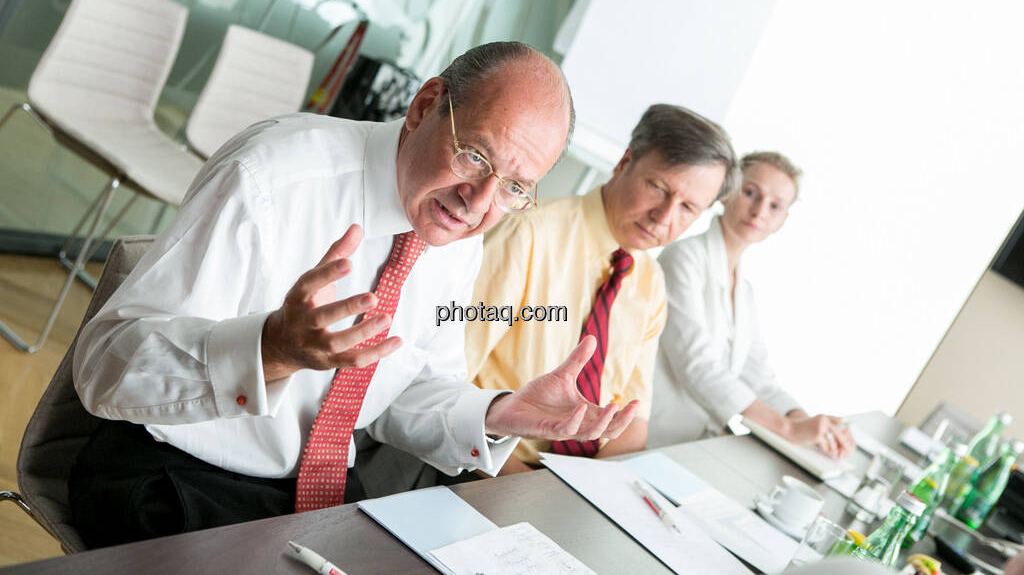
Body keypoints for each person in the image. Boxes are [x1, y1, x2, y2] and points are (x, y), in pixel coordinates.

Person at [68, 41, 638, 547]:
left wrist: (497, 412)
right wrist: (270, 351)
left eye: (515, 186)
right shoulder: (272, 175)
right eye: (476, 155)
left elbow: (406, 388)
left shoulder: (456, 235)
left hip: (311, 498)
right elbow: (104, 368)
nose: (479, 201)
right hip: (177, 473)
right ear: (423, 106)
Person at [465, 104, 738, 473]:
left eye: (688, 207)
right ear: (625, 161)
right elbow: (453, 387)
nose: (665, 217)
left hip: (576, 484)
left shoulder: (649, 281)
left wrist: (586, 495)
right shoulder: (528, 235)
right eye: (658, 187)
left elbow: (632, 420)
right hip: (489, 467)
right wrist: (528, 493)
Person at [648, 151, 854, 457]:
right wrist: (786, 429)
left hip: (692, 446)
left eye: (775, 206)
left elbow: (755, 372)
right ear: (727, 192)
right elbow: (698, 365)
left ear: (782, 221)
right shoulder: (683, 259)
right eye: (750, 193)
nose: (759, 211)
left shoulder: (743, 291)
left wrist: (800, 418)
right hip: (650, 436)